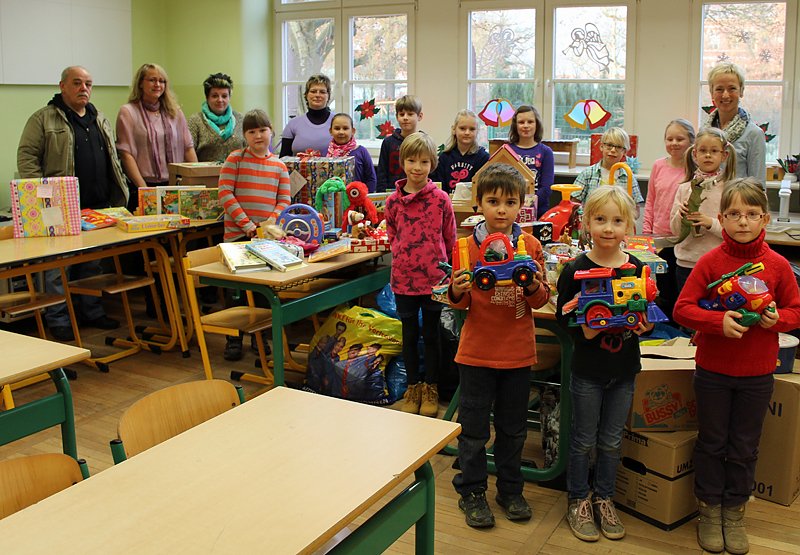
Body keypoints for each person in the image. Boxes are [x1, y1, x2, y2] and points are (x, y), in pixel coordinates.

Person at [673, 178, 800, 554]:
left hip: (757, 374)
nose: (743, 221)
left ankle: (734, 512)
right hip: (712, 371)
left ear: (764, 219)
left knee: (744, 446)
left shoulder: (777, 265)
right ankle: (709, 511)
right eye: (734, 214)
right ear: (721, 217)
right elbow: (682, 309)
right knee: (712, 443)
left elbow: (795, 312)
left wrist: (776, 319)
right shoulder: (710, 262)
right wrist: (718, 322)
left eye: (751, 214)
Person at [448, 163, 549, 529]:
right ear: (479, 203)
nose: (502, 210)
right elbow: (459, 303)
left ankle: (510, 490)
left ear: (522, 204)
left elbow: (541, 299)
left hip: (517, 354)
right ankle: (472, 491)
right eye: (493, 201)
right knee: (474, 430)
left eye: (510, 202)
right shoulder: (465, 246)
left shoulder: (530, 245)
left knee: (513, 429)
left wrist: (532, 285)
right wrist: (457, 289)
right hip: (476, 353)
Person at [556, 186, 654, 543]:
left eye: (616, 221)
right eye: (600, 219)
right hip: (588, 370)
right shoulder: (575, 269)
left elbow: (647, 314)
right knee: (583, 439)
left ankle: (604, 497)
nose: (608, 228)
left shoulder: (637, 268)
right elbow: (562, 315)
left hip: (624, 370)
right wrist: (584, 327)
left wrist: (644, 325)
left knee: (612, 440)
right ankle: (578, 499)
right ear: (586, 223)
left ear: (629, 225)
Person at [17, 65, 128, 341]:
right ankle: (58, 319)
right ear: (62, 86)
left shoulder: (99, 117)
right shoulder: (43, 119)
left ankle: (92, 310)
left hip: (98, 205)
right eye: (77, 83)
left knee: (92, 264)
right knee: (58, 267)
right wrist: (43, 194)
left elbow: (112, 158)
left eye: (88, 84)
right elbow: (27, 157)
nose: (84, 88)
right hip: (59, 207)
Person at [385, 131, 455, 417]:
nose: (417, 167)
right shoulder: (392, 202)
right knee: (409, 334)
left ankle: (431, 387)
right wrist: (405, 255)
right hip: (404, 280)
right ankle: (413, 387)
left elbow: (449, 237)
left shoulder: (441, 200)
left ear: (432, 164)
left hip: (434, 279)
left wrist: (446, 270)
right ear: (403, 162)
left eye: (424, 162)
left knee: (432, 335)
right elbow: (392, 235)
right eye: (412, 160)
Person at [218, 109, 291, 359]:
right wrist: (247, 225)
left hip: (265, 239)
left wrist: (268, 223)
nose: (258, 135)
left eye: (262, 130)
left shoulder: (279, 166)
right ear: (245, 135)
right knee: (236, 292)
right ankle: (234, 339)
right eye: (251, 131)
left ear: (271, 131)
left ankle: (261, 341)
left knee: (263, 293)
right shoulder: (235, 159)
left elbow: (284, 200)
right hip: (237, 237)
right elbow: (225, 193)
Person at [116, 63, 197, 211]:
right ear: (140, 83)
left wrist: (196, 182)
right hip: (143, 186)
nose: (158, 85)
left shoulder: (175, 112)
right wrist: (145, 190)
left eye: (162, 81)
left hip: (175, 185)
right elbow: (126, 154)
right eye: (152, 80)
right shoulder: (128, 112)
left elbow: (188, 148)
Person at [670, 127, 737, 292]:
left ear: (724, 155)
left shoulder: (730, 190)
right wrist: (680, 215)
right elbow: (675, 231)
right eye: (703, 150)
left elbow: (735, 233)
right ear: (695, 154)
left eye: (714, 151)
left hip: (719, 264)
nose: (708, 155)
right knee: (687, 306)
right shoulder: (684, 188)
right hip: (687, 264)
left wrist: (710, 223)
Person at [644, 119, 696, 320]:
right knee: (664, 290)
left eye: (680, 139)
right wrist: (647, 233)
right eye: (669, 139)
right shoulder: (658, 165)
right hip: (660, 238)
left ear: (691, 141)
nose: (674, 143)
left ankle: (682, 328)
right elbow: (651, 200)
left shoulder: (695, 169)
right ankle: (666, 329)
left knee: (683, 290)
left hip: (685, 240)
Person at [705, 62, 766, 186]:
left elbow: (758, 185)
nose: (725, 95)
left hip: (737, 198)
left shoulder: (754, 134)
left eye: (732, 88)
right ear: (712, 93)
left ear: (741, 91)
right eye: (719, 89)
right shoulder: (704, 131)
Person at [572, 127, 644, 224]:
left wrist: (625, 219)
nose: (613, 150)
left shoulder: (628, 176)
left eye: (618, 147)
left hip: (618, 228)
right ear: (602, 146)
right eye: (609, 145)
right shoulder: (587, 174)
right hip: (592, 226)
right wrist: (585, 217)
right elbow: (574, 203)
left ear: (624, 152)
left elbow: (636, 210)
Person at [507, 105, 554, 217]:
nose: (526, 126)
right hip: (510, 210)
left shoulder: (546, 152)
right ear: (515, 125)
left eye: (530, 122)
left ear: (537, 124)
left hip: (539, 212)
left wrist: (528, 205)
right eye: (521, 122)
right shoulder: (507, 151)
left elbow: (546, 188)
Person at [187, 72, 245, 163]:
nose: (220, 100)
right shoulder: (195, 121)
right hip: (204, 172)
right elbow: (187, 151)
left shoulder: (241, 119)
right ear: (207, 98)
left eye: (224, 96)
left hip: (238, 171)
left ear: (229, 97)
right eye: (214, 96)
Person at [433, 109, 489, 194]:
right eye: (462, 128)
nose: (467, 132)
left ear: (477, 131)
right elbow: (439, 188)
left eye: (472, 129)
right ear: (454, 129)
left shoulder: (483, 158)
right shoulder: (444, 157)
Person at [377, 95, 423, 192]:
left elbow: (430, 172)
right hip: (393, 193)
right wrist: (381, 194)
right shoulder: (388, 142)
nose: (405, 118)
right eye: (402, 114)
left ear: (419, 116)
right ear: (397, 117)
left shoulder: (424, 143)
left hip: (418, 193)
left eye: (410, 114)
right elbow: (382, 173)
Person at [279, 74, 334, 156]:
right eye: (313, 91)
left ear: (328, 96)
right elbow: (283, 158)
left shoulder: (338, 123)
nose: (317, 95)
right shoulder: (293, 124)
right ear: (306, 95)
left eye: (322, 92)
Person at [327, 112, 377, 191]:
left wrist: (365, 195)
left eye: (345, 128)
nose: (341, 132)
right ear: (330, 131)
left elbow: (371, 179)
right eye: (337, 128)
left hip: (358, 196)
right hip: (333, 197)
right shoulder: (327, 153)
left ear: (353, 131)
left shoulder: (361, 151)